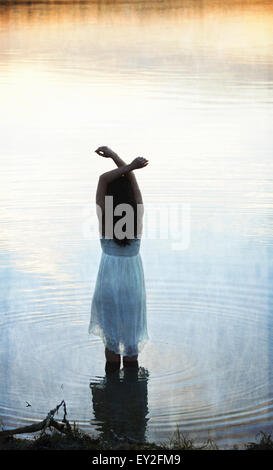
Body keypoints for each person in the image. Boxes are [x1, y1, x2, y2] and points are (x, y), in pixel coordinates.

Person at [88, 146, 149, 370]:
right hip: (132, 286)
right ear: (132, 199)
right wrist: (126, 164)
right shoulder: (138, 217)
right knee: (131, 347)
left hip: (108, 284)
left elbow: (103, 179)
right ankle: (133, 400)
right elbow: (131, 178)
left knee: (111, 346)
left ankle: (109, 399)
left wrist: (120, 160)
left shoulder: (104, 218)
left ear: (108, 198)